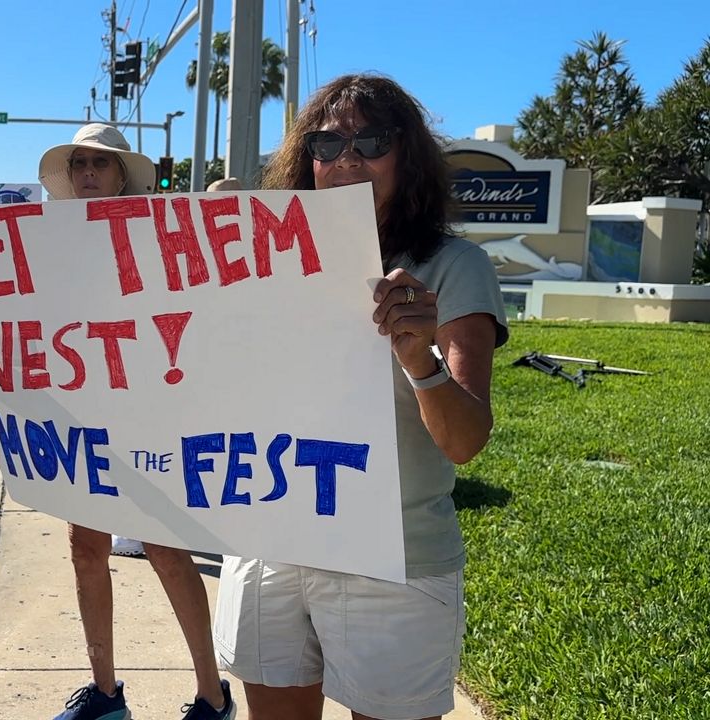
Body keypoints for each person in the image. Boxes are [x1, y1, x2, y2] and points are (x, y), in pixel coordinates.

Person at [0, 123, 236, 720]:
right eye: (79, 163)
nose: (88, 173)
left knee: (165, 549)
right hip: (78, 421)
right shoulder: (44, 239)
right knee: (85, 547)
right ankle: (106, 695)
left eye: (100, 163)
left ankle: (213, 696)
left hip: (147, 417)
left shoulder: (150, 232)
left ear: (122, 176)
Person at [212, 74, 509, 720]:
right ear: (306, 159)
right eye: (326, 144)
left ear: (408, 156)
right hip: (271, 539)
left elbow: (464, 441)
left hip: (392, 558)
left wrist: (419, 359)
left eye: (371, 141)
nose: (346, 158)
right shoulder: (262, 262)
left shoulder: (451, 268)